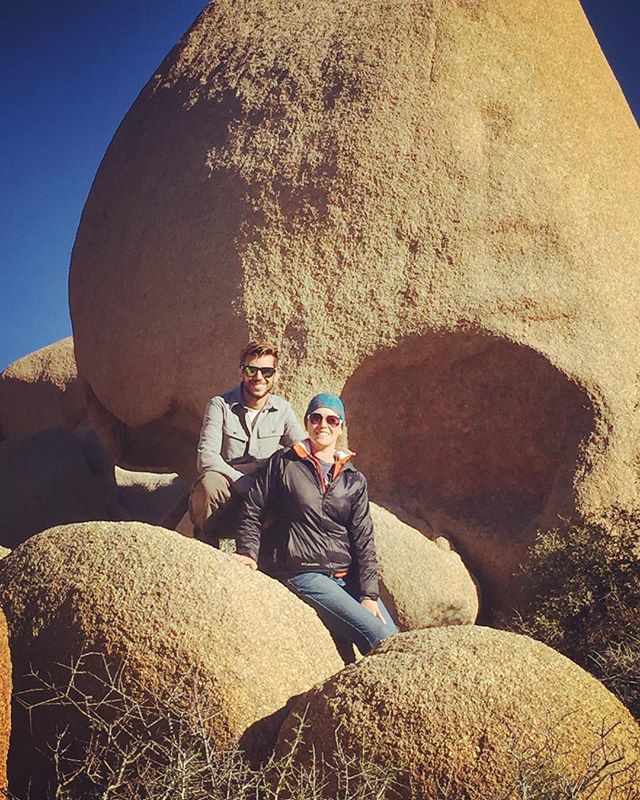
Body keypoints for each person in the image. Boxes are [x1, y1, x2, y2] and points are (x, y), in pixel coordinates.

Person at [233, 392, 398, 659]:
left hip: (347, 579)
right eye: (316, 418)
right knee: (380, 639)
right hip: (304, 573)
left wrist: (368, 594)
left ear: (341, 428)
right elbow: (252, 510)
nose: (323, 424)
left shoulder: (353, 479)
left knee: (394, 638)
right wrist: (248, 553)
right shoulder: (285, 463)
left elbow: (364, 540)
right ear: (307, 422)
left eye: (332, 420)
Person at [189, 340, 305, 546]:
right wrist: (243, 483)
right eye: (252, 370)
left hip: (264, 492)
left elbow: (302, 449)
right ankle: (206, 550)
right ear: (242, 372)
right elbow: (206, 457)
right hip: (228, 486)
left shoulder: (282, 409)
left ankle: (275, 560)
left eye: (266, 371)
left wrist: (332, 457)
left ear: (275, 375)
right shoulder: (220, 405)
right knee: (209, 483)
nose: (258, 377)